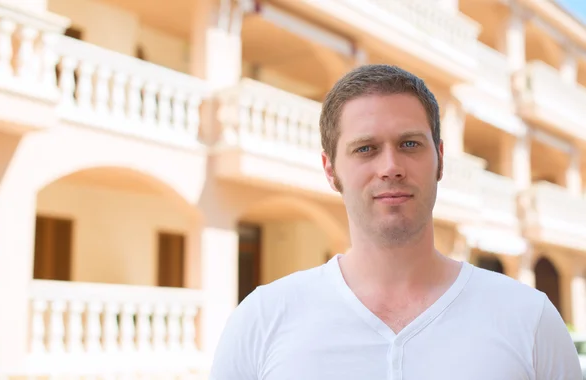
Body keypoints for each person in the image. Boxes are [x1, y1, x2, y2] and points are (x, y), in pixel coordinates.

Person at [209, 64, 582, 379]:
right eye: (365, 148)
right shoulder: (261, 321)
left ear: (439, 158)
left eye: (409, 144)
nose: (390, 168)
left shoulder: (529, 320)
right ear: (330, 169)